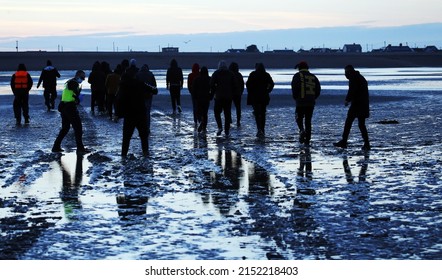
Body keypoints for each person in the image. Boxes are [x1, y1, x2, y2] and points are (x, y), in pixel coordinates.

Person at [116, 61, 155, 157]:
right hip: (140, 112)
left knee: (126, 137)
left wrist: (117, 113)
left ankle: (123, 155)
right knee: (143, 136)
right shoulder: (139, 83)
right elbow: (154, 90)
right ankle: (145, 153)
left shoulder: (123, 85)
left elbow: (118, 99)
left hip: (128, 114)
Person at [52, 70, 90, 154]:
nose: (83, 79)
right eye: (82, 77)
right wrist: (78, 98)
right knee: (78, 127)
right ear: (77, 76)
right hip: (70, 107)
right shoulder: (73, 83)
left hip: (64, 107)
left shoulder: (68, 82)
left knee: (65, 128)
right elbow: (75, 94)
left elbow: (70, 94)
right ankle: (80, 148)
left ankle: (56, 146)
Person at [334, 65, 371, 150]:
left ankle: (344, 141)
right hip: (364, 104)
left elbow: (352, 91)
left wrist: (347, 100)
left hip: (357, 104)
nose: (345, 74)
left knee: (348, 122)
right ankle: (366, 143)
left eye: (346, 72)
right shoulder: (360, 77)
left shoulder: (353, 78)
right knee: (361, 124)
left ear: (349, 72)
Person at [291, 61, 321, 145]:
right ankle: (307, 139)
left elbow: (294, 88)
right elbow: (318, 90)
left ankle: (301, 130)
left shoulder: (297, 76)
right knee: (308, 121)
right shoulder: (313, 77)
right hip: (311, 102)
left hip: (300, 102)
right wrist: (313, 98)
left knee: (298, 118)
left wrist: (296, 97)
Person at [246, 63, 274, 137]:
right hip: (264, 96)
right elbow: (272, 84)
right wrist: (268, 90)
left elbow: (248, 84)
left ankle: (259, 129)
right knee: (263, 113)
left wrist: (250, 92)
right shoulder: (266, 74)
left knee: (257, 113)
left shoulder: (252, 74)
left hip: (255, 97)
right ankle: (262, 129)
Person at [210, 60, 236, 137]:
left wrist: (214, 90)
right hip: (228, 96)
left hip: (218, 96)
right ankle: (227, 130)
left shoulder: (216, 73)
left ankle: (220, 127)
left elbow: (211, 84)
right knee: (227, 113)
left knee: (217, 112)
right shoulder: (230, 73)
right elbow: (234, 84)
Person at [136, 63, 158, 136]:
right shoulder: (151, 75)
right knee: (147, 112)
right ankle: (147, 128)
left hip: (139, 96)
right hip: (148, 95)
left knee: (140, 113)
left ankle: (141, 128)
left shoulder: (138, 74)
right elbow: (154, 85)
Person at [192, 66, 211, 134]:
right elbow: (212, 88)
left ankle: (200, 121)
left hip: (199, 98)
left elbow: (193, 89)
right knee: (205, 113)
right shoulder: (209, 79)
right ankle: (204, 127)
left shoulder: (197, 79)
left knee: (198, 112)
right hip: (206, 98)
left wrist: (194, 97)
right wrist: (211, 96)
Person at [229, 62, 244, 127]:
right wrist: (241, 92)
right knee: (238, 107)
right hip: (238, 93)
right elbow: (242, 84)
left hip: (230, 93)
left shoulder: (229, 74)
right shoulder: (239, 75)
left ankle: (229, 119)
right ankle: (238, 120)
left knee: (228, 107)